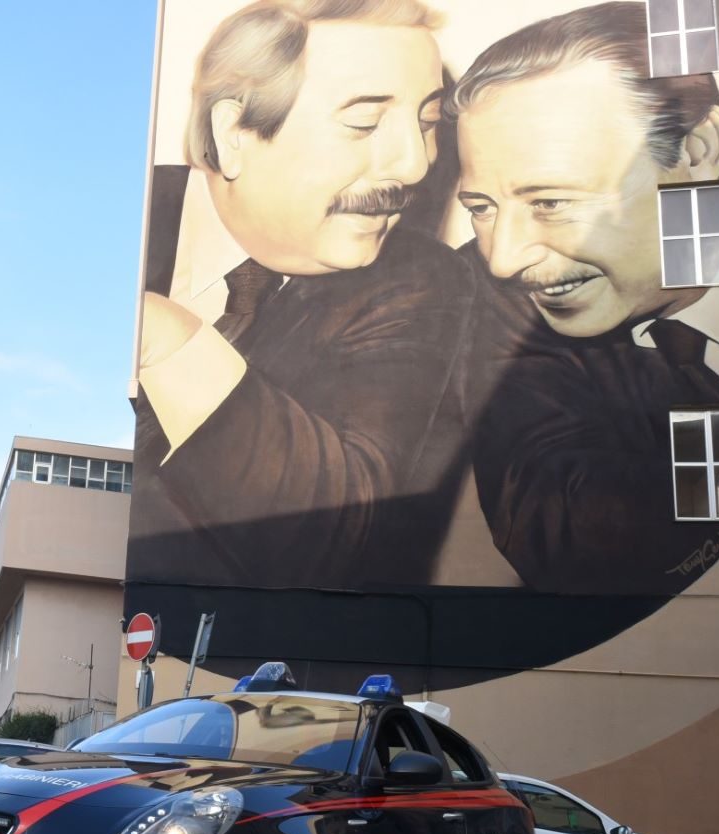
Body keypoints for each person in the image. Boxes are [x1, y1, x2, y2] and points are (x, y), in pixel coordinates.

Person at [447, 1, 719, 595]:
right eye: (482, 208)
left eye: (550, 202)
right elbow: (577, 545)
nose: (504, 258)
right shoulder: (486, 293)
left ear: (695, 152)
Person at [130, 0, 477, 592]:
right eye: (364, 124)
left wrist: (166, 337)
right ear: (232, 132)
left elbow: (331, 537)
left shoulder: (421, 283)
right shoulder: (116, 222)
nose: (415, 166)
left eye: (426, 123)